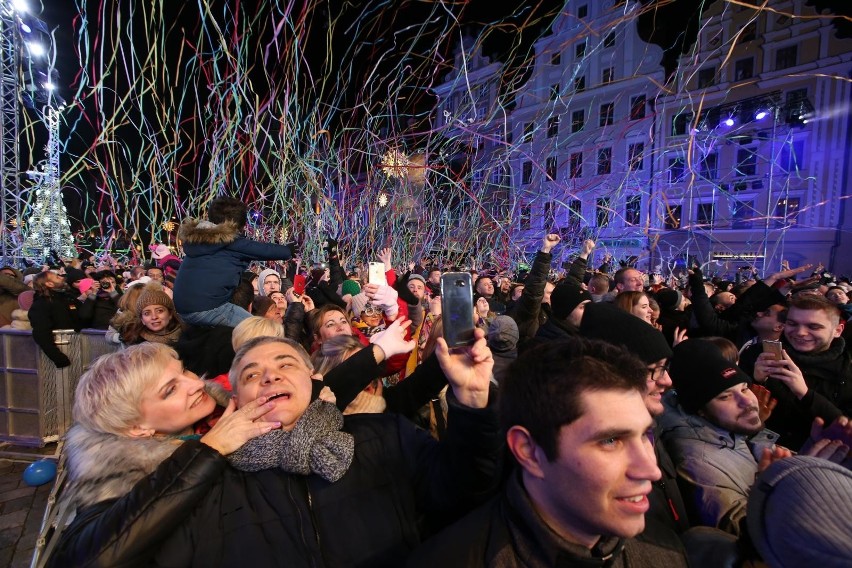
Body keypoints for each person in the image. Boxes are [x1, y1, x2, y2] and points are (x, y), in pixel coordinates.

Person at [409, 338, 687, 567]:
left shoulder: (667, 553)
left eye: (645, 435)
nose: (651, 469)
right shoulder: (451, 559)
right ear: (528, 451)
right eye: (611, 440)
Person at [750, 294, 852, 450]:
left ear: (837, 330)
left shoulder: (848, 369)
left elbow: (846, 428)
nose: (800, 332)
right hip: (754, 450)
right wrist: (756, 382)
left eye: (813, 327)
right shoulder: (758, 354)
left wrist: (805, 394)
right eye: (792, 324)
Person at [173, 196, 292, 327]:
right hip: (208, 308)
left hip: (183, 308)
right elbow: (264, 250)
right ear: (238, 225)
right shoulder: (229, 242)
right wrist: (289, 250)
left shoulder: (199, 241)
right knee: (259, 329)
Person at [29, 271, 91, 368]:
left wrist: (92, 297)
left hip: (80, 350)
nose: (62, 277)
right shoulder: (41, 304)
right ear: (49, 283)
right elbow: (41, 332)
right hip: (63, 353)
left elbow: (84, 316)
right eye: (57, 277)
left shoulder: (68, 298)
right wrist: (59, 358)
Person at [119, 283, 184, 346]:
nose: (154, 317)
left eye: (159, 311)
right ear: (142, 320)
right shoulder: (135, 344)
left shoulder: (187, 336)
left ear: (170, 314)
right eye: (147, 313)